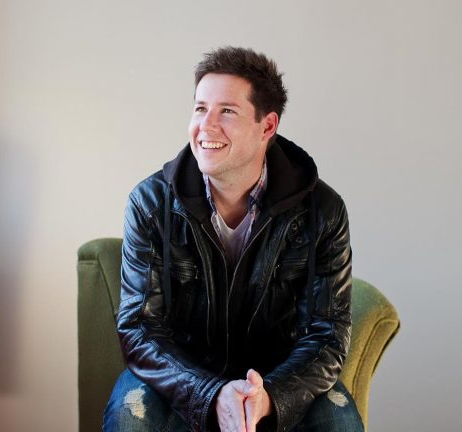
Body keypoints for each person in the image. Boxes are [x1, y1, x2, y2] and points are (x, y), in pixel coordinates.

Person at [104, 46, 361, 432]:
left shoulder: (323, 210)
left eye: (226, 111)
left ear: (267, 127)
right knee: (130, 416)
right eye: (200, 108)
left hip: (280, 375)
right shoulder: (150, 203)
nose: (206, 126)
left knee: (338, 421)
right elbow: (140, 327)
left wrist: (269, 396)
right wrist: (211, 394)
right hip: (179, 375)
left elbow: (327, 332)